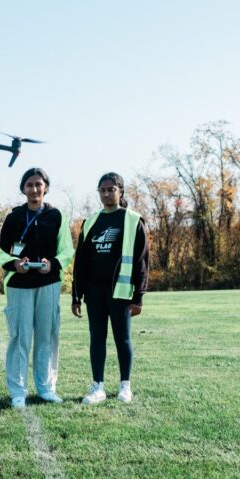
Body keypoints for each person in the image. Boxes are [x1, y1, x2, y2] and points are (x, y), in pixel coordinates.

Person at [0, 168, 74, 408]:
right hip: (19, 284)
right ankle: (18, 391)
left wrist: (53, 264)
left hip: (48, 283)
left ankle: (46, 387)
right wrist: (14, 263)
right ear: (23, 189)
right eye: (29, 185)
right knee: (19, 337)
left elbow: (67, 250)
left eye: (38, 184)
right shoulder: (13, 217)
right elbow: (0, 253)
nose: (34, 189)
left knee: (47, 336)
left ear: (46, 188)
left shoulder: (56, 216)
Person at [71, 172, 149, 404]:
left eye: (111, 189)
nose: (106, 194)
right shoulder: (91, 222)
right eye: (102, 190)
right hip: (94, 291)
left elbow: (142, 261)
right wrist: (76, 295)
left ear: (120, 191)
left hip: (121, 292)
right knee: (97, 337)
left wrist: (139, 297)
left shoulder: (134, 220)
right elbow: (81, 262)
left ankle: (125, 386)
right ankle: (98, 387)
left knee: (122, 338)